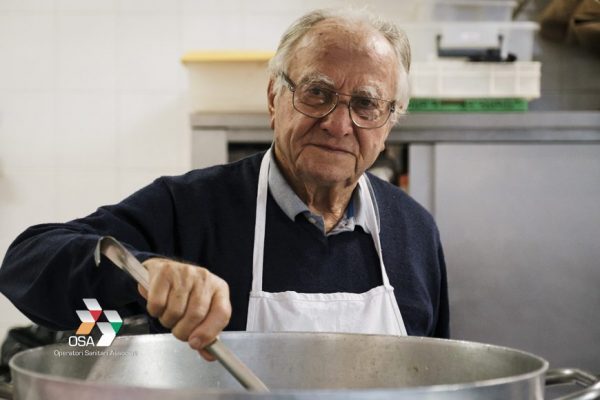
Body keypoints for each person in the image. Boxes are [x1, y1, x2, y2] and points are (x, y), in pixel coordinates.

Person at [0, 9, 449, 359]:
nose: (337, 124)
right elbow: (27, 264)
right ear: (275, 98)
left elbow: (437, 378)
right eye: (317, 92)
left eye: (366, 104)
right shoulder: (191, 211)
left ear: (389, 122)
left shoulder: (413, 232)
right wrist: (141, 274)